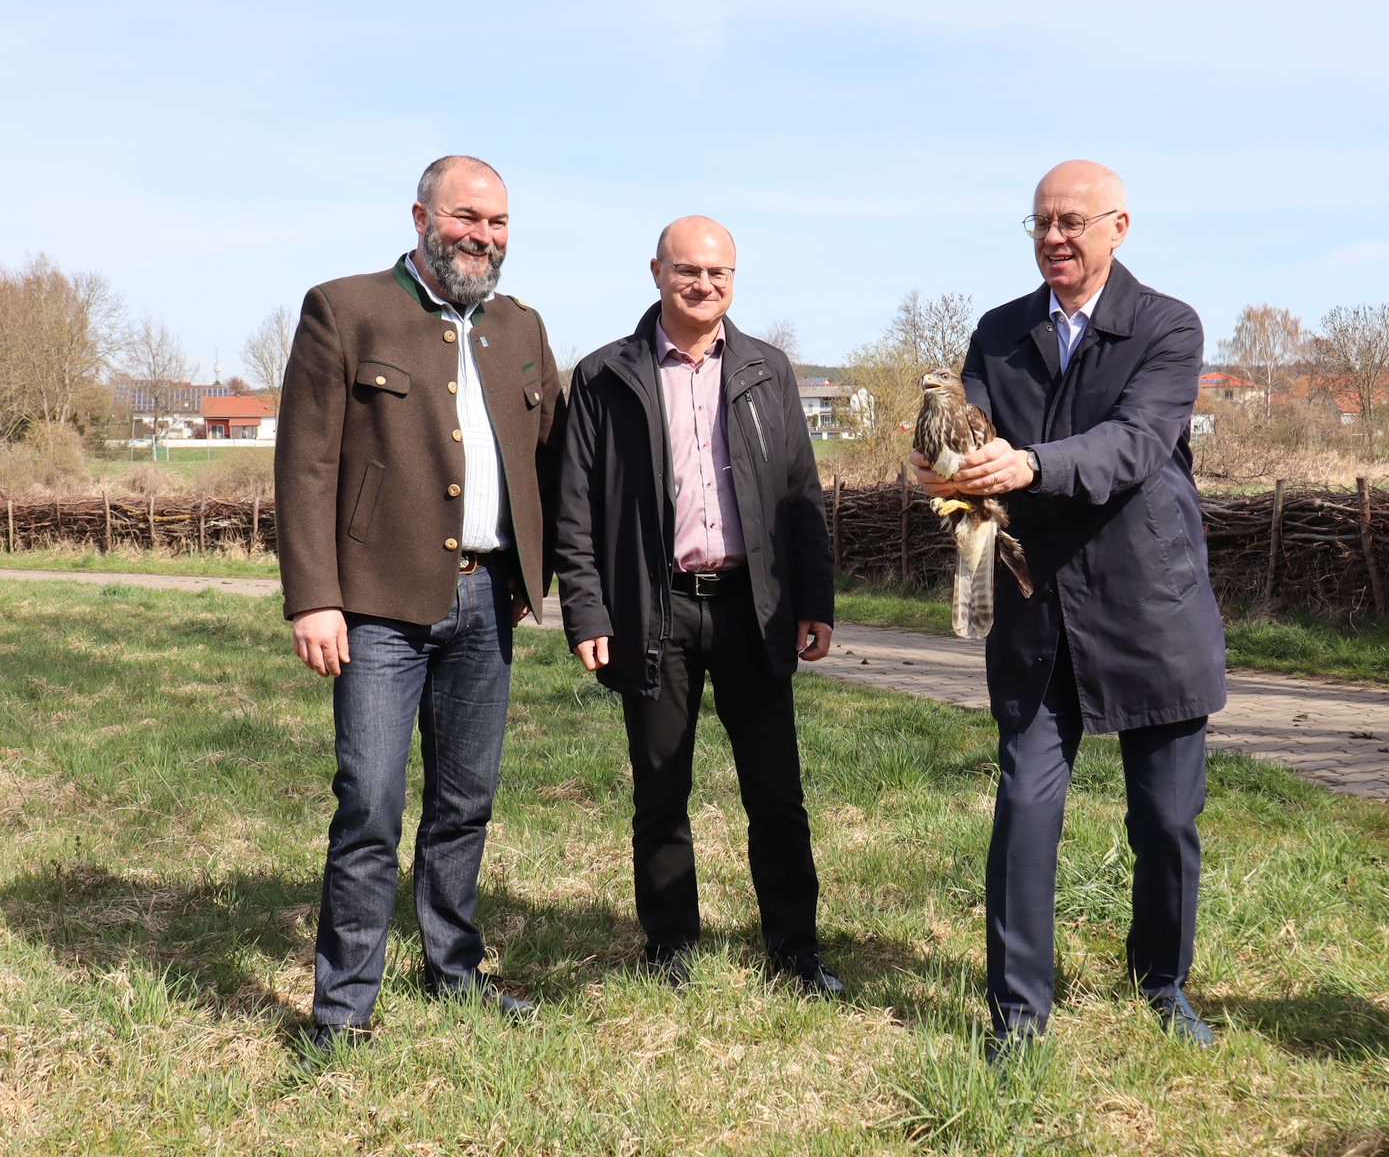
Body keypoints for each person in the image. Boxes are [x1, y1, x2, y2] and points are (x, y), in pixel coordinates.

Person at [911, 160, 1228, 1049]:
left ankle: (1161, 982)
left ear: (1119, 226)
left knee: (1165, 818)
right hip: (1034, 604)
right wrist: (944, 469)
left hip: (1147, 603)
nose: (1055, 237)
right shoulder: (999, 332)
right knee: (1026, 806)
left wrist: (1032, 464)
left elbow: (1135, 444)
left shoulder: (1166, 327)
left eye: (1073, 222)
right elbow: (958, 435)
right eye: (1042, 222)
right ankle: (1017, 1013)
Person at [275, 155, 562, 1054]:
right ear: (421, 216)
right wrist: (313, 598)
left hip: (487, 604)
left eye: (499, 222)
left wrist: (529, 575)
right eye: (467, 216)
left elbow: (549, 461)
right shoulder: (346, 308)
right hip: (375, 608)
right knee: (369, 803)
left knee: (465, 802)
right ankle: (344, 1010)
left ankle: (454, 970)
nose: (483, 234)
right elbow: (305, 463)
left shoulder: (521, 326)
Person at [554, 216, 840, 995]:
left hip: (754, 608)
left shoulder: (767, 370)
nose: (704, 284)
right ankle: (671, 945)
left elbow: (799, 494)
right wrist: (587, 611)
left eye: (719, 273)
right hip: (655, 608)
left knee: (776, 792)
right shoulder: (604, 375)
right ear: (656, 272)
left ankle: (795, 951)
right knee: (660, 790)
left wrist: (815, 598)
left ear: (734, 280)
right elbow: (574, 506)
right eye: (688, 270)